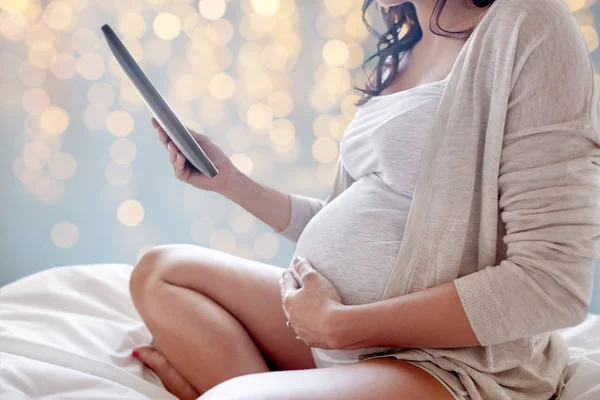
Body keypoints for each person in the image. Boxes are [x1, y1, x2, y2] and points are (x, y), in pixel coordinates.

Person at [128, 0, 600, 399]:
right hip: (336, 332)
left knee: (233, 397)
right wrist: (231, 182)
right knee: (158, 273)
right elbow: (345, 212)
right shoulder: (405, 47)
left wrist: (343, 327)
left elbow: (552, 284)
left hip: (448, 361)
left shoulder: (529, 25)